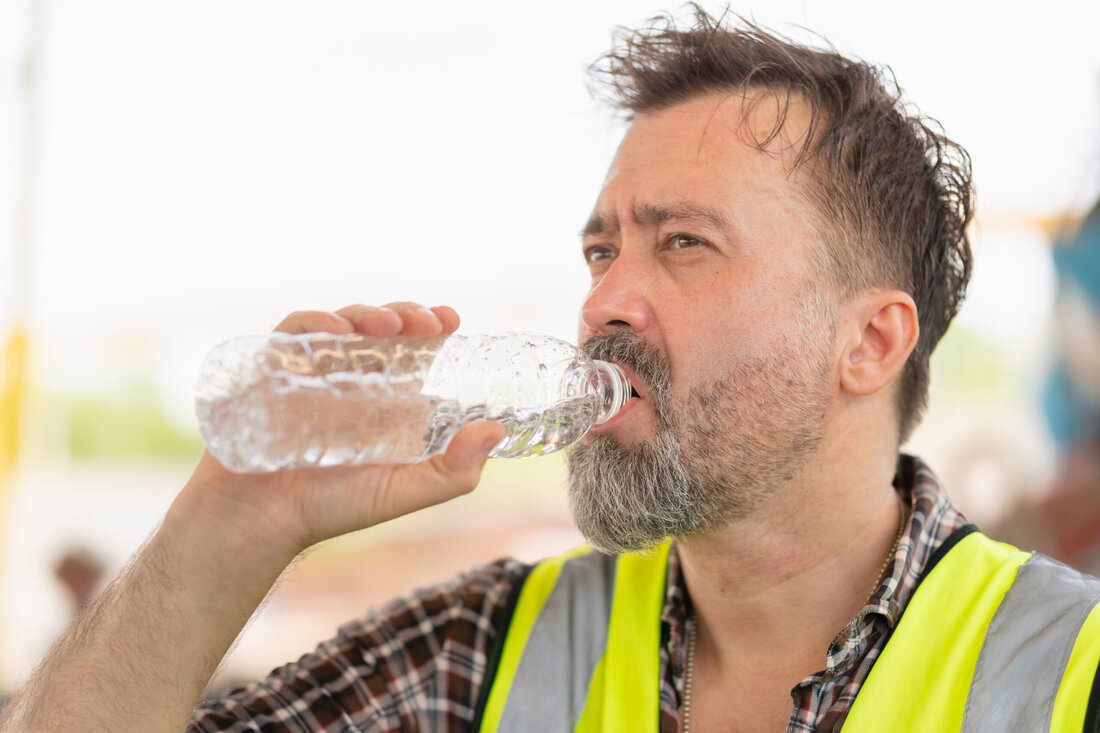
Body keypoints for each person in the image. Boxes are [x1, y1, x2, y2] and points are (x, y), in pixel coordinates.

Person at [4, 8, 1100, 732]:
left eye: (682, 245)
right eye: (600, 250)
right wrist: (230, 523)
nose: (602, 302)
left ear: (867, 342)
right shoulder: (480, 652)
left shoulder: (1068, 669)